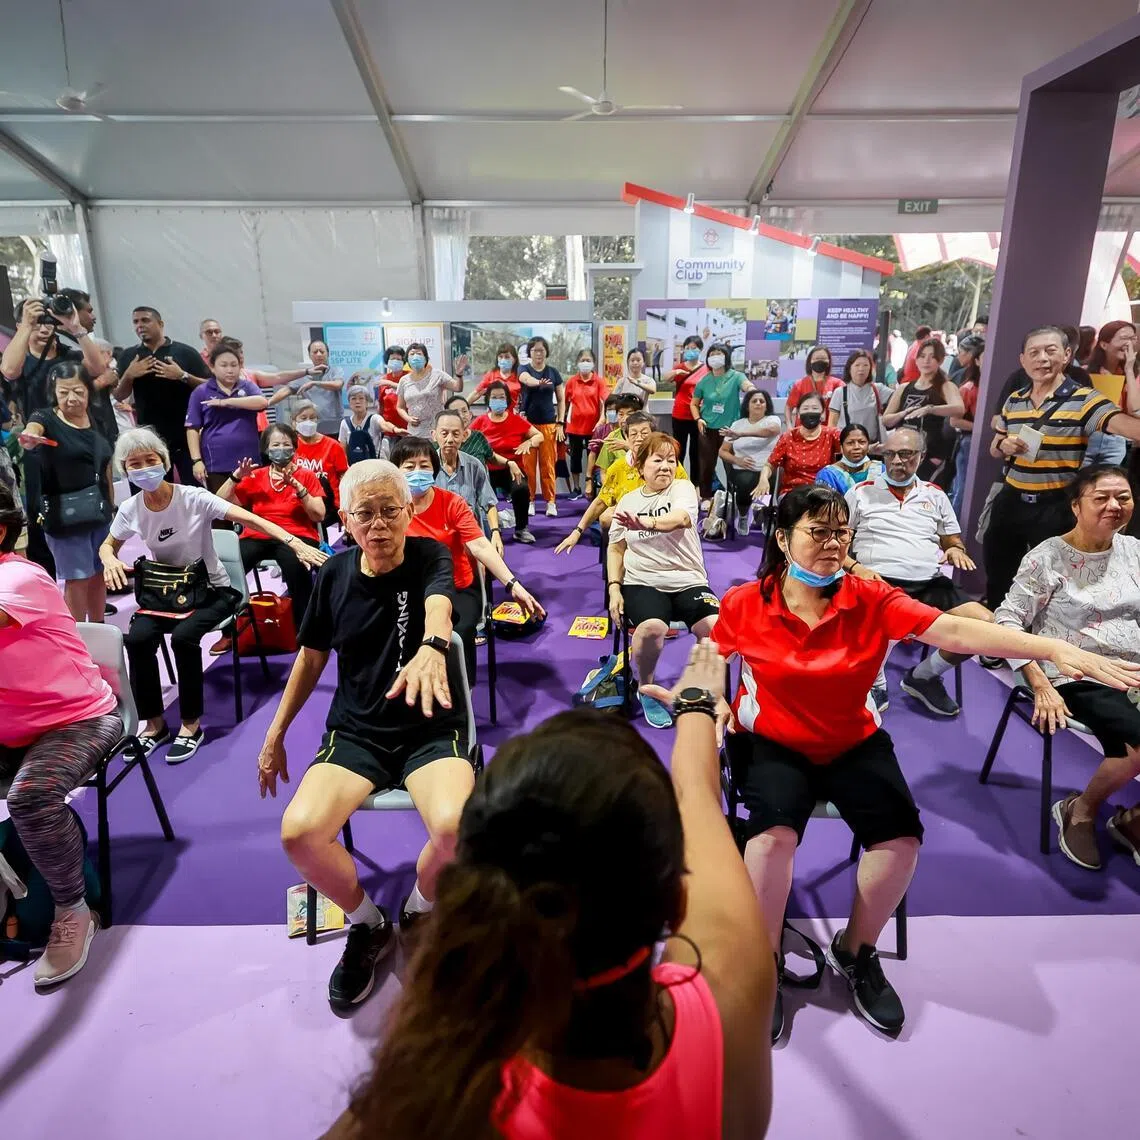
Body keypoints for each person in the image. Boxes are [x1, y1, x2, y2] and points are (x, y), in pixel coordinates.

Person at [713, 484, 1140, 1038]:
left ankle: (855, 951)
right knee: (771, 840)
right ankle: (764, 960)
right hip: (774, 741)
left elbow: (954, 629)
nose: (833, 543)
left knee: (900, 842)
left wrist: (1052, 648)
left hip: (852, 740)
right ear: (782, 538)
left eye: (842, 532)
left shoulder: (872, 598)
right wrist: (712, 700)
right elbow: (713, 656)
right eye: (818, 532)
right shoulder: (747, 601)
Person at [328, 649, 775, 1140]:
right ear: (676, 905)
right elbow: (698, 797)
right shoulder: (732, 999)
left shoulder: (436, 1093)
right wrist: (695, 705)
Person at [259, 460, 474, 1010]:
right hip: (357, 731)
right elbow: (310, 658)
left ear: (408, 512)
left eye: (389, 511)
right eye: (365, 514)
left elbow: (440, 607)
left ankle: (420, 909)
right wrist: (276, 732)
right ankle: (367, 922)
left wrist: (433, 647)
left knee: (456, 829)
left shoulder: (428, 556)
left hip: (430, 728)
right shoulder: (333, 575)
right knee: (299, 833)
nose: (379, 525)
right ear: (346, 519)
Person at [99, 428, 326, 764]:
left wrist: (293, 542)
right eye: (135, 464)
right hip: (166, 594)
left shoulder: (193, 497)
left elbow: (252, 519)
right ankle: (155, 725)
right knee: (137, 639)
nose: (144, 468)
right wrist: (108, 559)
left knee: (184, 637)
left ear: (164, 462)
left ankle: (191, 726)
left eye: (150, 460)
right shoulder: (131, 508)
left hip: (213, 590)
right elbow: (108, 544)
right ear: (125, 470)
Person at [0, 486, 123, 989]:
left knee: (30, 797)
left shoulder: (18, 577)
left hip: (78, 718)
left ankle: (73, 909)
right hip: (12, 729)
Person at [993, 465, 1140, 871]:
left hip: (1133, 670)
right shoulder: (1047, 558)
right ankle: (1081, 809)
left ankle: (1131, 820)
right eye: (1101, 498)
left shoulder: (1134, 551)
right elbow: (1007, 621)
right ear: (1076, 506)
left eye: (1123, 497)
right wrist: (1039, 683)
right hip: (1076, 673)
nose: (1114, 506)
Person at [983, 326, 1140, 610]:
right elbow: (995, 447)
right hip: (1010, 499)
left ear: (1067, 355)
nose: (1042, 358)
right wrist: (1003, 444)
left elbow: (1128, 428)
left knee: (1055, 582)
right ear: (1023, 360)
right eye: (1034, 352)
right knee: (999, 576)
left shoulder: (1085, 399)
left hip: (1054, 505)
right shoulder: (1015, 400)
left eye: (1050, 351)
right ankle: (998, 634)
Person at [843, 426, 993, 716]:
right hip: (878, 581)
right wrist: (855, 567)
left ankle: (923, 676)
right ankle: (874, 680)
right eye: (890, 454)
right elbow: (838, 542)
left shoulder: (935, 495)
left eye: (906, 454)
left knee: (985, 625)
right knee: (882, 617)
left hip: (929, 582)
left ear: (921, 456)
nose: (897, 461)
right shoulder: (860, 493)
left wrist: (955, 550)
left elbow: (951, 539)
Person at [391, 437, 544, 681]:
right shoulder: (390, 507)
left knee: (459, 634)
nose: (417, 472)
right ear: (396, 472)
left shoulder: (452, 503)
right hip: (410, 589)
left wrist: (513, 584)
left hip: (458, 587)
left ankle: (464, 688)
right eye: (409, 466)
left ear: (434, 469)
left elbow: (480, 545)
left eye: (424, 465)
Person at [607, 433, 719, 730]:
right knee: (652, 628)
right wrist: (614, 588)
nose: (666, 466)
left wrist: (648, 522)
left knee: (716, 628)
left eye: (671, 460)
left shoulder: (683, 488)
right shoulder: (628, 501)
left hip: (688, 579)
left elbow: (681, 519)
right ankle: (646, 688)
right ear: (641, 465)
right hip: (643, 581)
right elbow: (616, 547)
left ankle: (700, 691)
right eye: (658, 460)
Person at [18, 362, 114, 623]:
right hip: (65, 515)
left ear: (89, 390)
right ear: (54, 392)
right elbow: (32, 430)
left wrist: (111, 507)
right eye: (63, 392)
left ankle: (99, 628)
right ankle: (77, 636)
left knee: (99, 574)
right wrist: (30, 436)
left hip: (99, 511)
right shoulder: (45, 418)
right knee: (77, 578)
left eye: (78, 391)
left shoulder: (97, 419)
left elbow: (106, 464)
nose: (71, 398)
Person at [214, 424, 326, 639]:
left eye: (286, 444)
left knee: (297, 567)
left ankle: (305, 633)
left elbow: (318, 515)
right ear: (266, 449)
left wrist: (299, 488)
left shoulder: (306, 475)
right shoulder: (255, 476)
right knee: (225, 568)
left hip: (297, 536)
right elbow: (219, 503)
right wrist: (236, 476)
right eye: (275, 445)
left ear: (294, 448)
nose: (281, 449)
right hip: (258, 535)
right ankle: (229, 631)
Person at [555, 411, 689, 555]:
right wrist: (577, 531)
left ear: (653, 436)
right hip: (629, 530)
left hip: (663, 526)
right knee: (607, 519)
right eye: (633, 434)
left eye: (644, 433)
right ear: (626, 437)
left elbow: (686, 498)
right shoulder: (618, 468)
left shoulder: (670, 466)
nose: (639, 438)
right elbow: (600, 502)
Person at [112, 306, 213, 484]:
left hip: (186, 434)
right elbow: (119, 395)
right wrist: (129, 375)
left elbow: (210, 386)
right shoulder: (129, 356)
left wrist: (182, 376)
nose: (140, 325)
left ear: (160, 323)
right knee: (157, 488)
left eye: (145, 320)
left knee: (194, 488)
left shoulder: (184, 352)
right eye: (135, 322)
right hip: (149, 437)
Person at [185, 341, 267, 492]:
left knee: (252, 503)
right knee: (222, 503)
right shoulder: (201, 391)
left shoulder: (248, 387)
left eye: (234, 365)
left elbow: (262, 402)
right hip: (217, 463)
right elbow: (192, 428)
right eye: (224, 365)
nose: (230, 370)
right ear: (212, 367)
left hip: (249, 460)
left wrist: (226, 402)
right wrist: (196, 460)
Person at [470, 380, 544, 545]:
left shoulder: (516, 420)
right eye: (494, 397)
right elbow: (467, 438)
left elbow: (539, 436)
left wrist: (529, 442)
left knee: (521, 488)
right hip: (487, 469)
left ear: (507, 400)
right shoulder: (480, 421)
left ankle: (521, 529)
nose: (498, 400)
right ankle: (486, 529)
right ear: (488, 400)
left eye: (501, 397)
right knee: (480, 493)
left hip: (513, 468)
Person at [881, 338, 964, 484]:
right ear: (916, 359)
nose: (926, 361)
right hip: (902, 451)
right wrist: (903, 414)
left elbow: (959, 409)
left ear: (940, 360)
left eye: (932, 357)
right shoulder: (904, 387)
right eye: (923, 356)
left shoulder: (945, 386)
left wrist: (930, 409)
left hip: (930, 452)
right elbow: (886, 419)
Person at [709, 389, 782, 538]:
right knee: (745, 481)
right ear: (747, 406)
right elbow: (723, 451)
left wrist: (742, 434)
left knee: (766, 481)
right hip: (741, 469)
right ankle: (743, 514)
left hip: (767, 469)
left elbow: (772, 431)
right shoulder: (737, 424)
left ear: (766, 405)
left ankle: (762, 513)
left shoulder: (772, 420)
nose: (758, 403)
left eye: (762, 401)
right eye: (754, 401)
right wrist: (737, 460)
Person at [691, 343, 753, 508]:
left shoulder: (736, 376)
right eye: (712, 354)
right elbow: (694, 404)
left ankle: (734, 497)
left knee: (731, 465)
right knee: (706, 464)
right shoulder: (704, 381)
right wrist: (698, 419)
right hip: (708, 428)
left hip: (730, 431)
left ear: (726, 357)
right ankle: (706, 496)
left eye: (719, 353)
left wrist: (751, 389)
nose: (715, 357)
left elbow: (747, 386)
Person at [432, 408, 502, 550]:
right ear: (434, 435)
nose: (450, 440)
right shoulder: (426, 466)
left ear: (464, 436)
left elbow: (489, 503)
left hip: (470, 539)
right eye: (444, 434)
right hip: (436, 539)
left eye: (456, 434)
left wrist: (495, 532)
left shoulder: (474, 465)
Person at [755, 393, 840, 501]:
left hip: (824, 493)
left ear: (823, 413)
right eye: (805, 409)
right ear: (798, 414)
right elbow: (770, 465)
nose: (810, 412)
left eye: (815, 408)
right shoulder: (788, 437)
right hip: (792, 493)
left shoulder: (832, 435)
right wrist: (763, 479)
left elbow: (849, 452)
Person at [517, 336, 565, 516]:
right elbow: (527, 380)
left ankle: (550, 502)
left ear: (546, 352)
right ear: (530, 352)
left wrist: (560, 422)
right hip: (528, 426)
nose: (538, 353)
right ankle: (529, 500)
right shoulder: (524, 368)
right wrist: (538, 383)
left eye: (541, 350)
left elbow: (561, 400)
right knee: (528, 467)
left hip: (548, 424)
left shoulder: (553, 372)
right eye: (535, 350)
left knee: (548, 465)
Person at [268, 339, 347, 436]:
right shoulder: (304, 376)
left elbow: (338, 384)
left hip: (335, 427)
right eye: (315, 352)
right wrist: (268, 402)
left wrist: (314, 383)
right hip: (313, 428)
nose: (319, 354)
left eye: (322, 351)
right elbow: (286, 390)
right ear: (310, 355)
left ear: (328, 354)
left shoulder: (336, 371)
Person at [564, 348, 609, 499]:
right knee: (575, 459)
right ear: (577, 362)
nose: (585, 363)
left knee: (594, 459)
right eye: (582, 360)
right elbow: (565, 403)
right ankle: (576, 488)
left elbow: (606, 402)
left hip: (594, 429)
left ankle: (592, 488)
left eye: (588, 360)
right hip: (574, 428)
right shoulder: (571, 381)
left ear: (593, 363)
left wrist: (602, 420)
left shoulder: (599, 381)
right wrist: (561, 424)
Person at [396, 342, 462, 441]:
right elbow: (400, 407)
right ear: (407, 359)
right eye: (412, 354)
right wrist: (408, 418)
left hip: (436, 430)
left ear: (425, 358)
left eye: (419, 354)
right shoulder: (404, 380)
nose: (415, 357)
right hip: (414, 432)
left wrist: (459, 375)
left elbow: (457, 388)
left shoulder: (437, 375)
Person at [664, 334, 706, 487]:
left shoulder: (706, 369)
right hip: (680, 414)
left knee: (696, 453)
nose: (690, 351)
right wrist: (676, 373)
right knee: (678, 451)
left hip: (698, 416)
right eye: (687, 348)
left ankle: (695, 485)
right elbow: (666, 378)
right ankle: (676, 482)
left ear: (700, 349)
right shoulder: (680, 367)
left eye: (693, 348)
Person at [292, 399, 349, 510]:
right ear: (294, 421)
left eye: (312, 418)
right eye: (303, 418)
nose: (308, 422)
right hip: (298, 502)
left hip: (330, 505)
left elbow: (344, 476)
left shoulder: (333, 445)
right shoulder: (290, 445)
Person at [947, 343, 983, 518]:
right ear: (976, 361)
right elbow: (954, 421)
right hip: (969, 442)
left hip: (987, 442)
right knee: (963, 487)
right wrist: (979, 428)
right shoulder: (968, 388)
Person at [827, 349, 892, 443]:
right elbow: (832, 424)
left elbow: (898, 396)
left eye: (865, 365)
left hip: (873, 445)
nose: (861, 369)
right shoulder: (840, 392)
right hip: (848, 445)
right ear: (849, 368)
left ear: (870, 368)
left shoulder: (878, 389)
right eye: (857, 365)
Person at [586, 393, 641, 497]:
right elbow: (603, 472)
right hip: (617, 489)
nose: (624, 419)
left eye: (629, 414)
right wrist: (610, 492)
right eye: (621, 414)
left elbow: (647, 461)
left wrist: (627, 447)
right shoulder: (612, 436)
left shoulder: (646, 435)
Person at [815, 423, 882, 495]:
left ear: (868, 445)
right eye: (850, 443)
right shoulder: (828, 475)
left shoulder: (881, 470)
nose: (856, 447)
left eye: (862, 442)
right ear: (841, 447)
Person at [785, 346, 842, 428]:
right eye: (816, 358)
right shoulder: (800, 384)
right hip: (803, 430)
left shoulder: (838, 384)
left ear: (829, 362)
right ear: (810, 361)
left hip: (828, 431)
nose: (820, 361)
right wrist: (789, 425)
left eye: (823, 358)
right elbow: (788, 407)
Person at [340, 385, 395, 466]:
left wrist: (395, 429)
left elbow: (384, 424)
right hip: (353, 466)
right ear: (349, 403)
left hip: (374, 465)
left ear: (367, 402)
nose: (357, 401)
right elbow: (342, 449)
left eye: (361, 398)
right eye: (353, 399)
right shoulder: (345, 423)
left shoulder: (374, 418)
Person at [443, 394, 494, 466]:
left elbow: (492, 457)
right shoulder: (442, 442)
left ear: (470, 414)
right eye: (456, 412)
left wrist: (508, 462)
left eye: (464, 411)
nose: (461, 416)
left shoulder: (478, 436)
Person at [471, 343, 522, 409]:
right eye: (500, 357)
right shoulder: (491, 375)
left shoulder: (519, 376)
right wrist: (463, 404)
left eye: (507, 357)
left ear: (514, 359)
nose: (503, 359)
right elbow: (477, 393)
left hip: (512, 413)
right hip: (493, 413)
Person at [374, 347, 410, 436]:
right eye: (393, 359)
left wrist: (390, 384)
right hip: (389, 428)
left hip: (408, 427)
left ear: (403, 361)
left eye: (398, 359)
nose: (395, 361)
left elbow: (410, 390)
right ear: (387, 361)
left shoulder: (409, 376)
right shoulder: (383, 379)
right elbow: (381, 405)